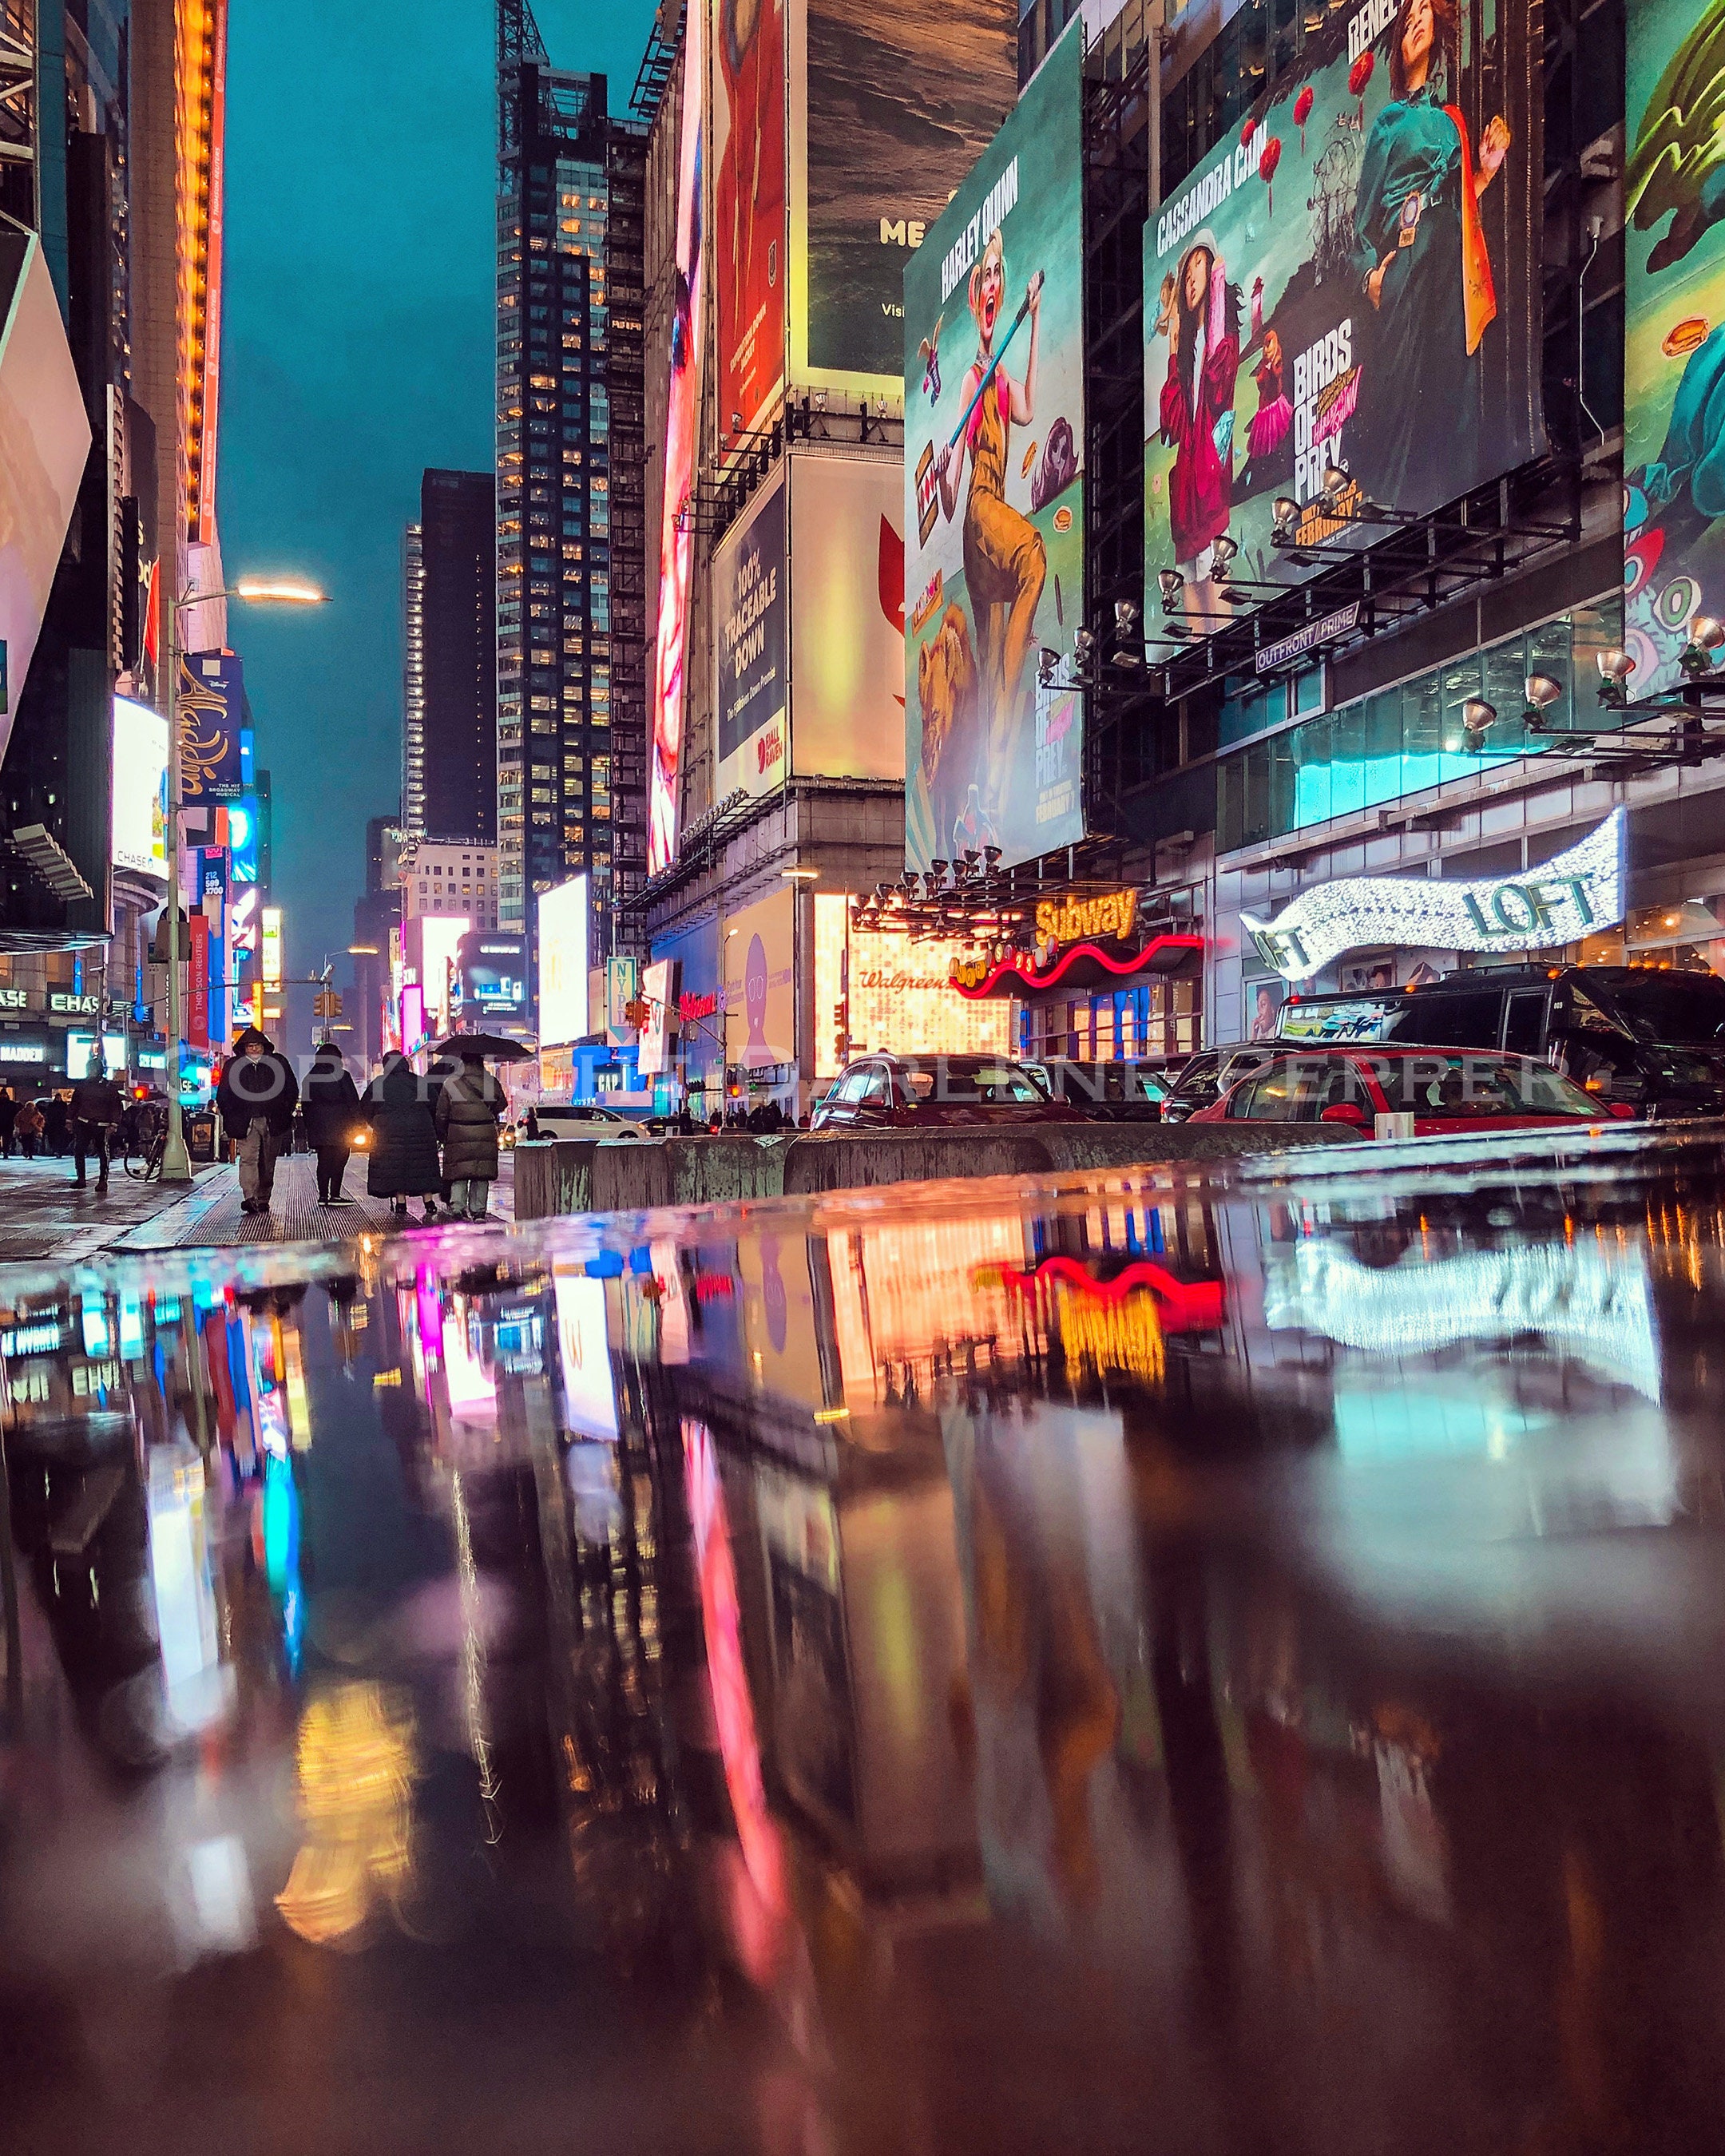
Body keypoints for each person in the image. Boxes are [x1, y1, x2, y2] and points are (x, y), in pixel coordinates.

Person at [1348, 0, 1509, 507]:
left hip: (1451, 275)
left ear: (1438, 28)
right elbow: (1362, 224)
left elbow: (1461, 206)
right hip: (1405, 269)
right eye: (1408, 15)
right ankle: (1394, 516)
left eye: (1425, 10)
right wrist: (1371, 278)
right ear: (1397, 44)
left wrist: (1483, 171)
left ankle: (1450, 514)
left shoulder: (1451, 120)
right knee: (1402, 401)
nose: (1417, 18)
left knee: (1450, 396)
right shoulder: (1389, 123)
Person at [933, 226, 1047, 830]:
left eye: (998, 282)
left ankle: (991, 793)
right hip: (979, 514)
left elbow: (1027, 407)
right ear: (977, 300)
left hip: (987, 534)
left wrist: (1032, 320)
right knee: (1032, 552)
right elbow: (950, 504)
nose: (992, 290)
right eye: (986, 282)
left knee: (995, 671)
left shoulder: (998, 381)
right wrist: (945, 471)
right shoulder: (969, 389)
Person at [1158, 236, 1240, 624]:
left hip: (1209, 473)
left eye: (1198, 269)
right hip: (1188, 480)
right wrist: (1174, 347)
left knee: (1215, 576)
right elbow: (1173, 417)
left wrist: (1220, 291)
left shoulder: (1221, 337)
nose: (1190, 281)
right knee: (1192, 587)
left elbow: (1220, 380)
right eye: (1186, 273)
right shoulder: (1190, 345)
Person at [216, 1025, 299, 1215]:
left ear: (264, 1046)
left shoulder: (278, 1063)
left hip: (272, 1120)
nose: (254, 1049)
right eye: (250, 1046)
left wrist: (286, 1110)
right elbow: (224, 1093)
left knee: (268, 1162)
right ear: (243, 1048)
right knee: (248, 1159)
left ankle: (263, 1197)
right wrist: (230, 1114)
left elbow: (291, 1089)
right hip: (246, 1122)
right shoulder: (233, 1066)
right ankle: (250, 1197)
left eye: (257, 1046)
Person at [364, 1050, 442, 1223]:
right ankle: (429, 1201)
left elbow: (366, 1109)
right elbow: (436, 1106)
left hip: (388, 1134)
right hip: (421, 1132)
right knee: (422, 1167)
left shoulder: (379, 1084)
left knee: (396, 1167)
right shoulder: (420, 1082)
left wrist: (377, 1123)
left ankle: (400, 1203)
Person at [433, 1052, 505, 1221]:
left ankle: (458, 1207)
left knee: (459, 1172)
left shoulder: (450, 1082)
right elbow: (502, 1104)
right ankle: (479, 1211)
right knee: (481, 1173)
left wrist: (443, 1134)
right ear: (481, 1062)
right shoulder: (491, 1081)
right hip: (485, 1131)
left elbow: (442, 1113)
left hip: (458, 1130)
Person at [301, 1040, 363, 1206]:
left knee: (323, 1161)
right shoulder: (343, 1076)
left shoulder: (309, 1078)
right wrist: (359, 1123)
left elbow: (305, 1106)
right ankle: (335, 1195)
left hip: (319, 1127)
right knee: (340, 1160)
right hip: (342, 1127)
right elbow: (353, 1102)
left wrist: (310, 1126)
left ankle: (323, 1196)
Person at [70, 1060, 124, 1192]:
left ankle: (102, 1181)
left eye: (93, 1069)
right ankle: (81, 1179)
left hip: (101, 1124)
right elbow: (75, 1104)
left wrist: (114, 1124)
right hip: (83, 1122)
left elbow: (115, 1106)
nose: (91, 1071)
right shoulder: (83, 1085)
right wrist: (69, 1120)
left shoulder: (109, 1087)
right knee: (79, 1150)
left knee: (102, 1151)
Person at [42, 1091, 69, 1157]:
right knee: (54, 1138)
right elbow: (49, 1114)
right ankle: (55, 1150)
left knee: (60, 1138)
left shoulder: (63, 1105)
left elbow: (65, 1113)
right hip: (53, 1125)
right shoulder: (52, 1105)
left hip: (60, 1124)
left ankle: (60, 1151)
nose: (58, 1099)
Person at [13, 1095, 42, 1159]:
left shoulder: (36, 1113)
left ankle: (30, 1154)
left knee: (32, 1142)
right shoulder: (22, 1112)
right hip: (24, 1130)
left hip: (32, 1129)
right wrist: (19, 1125)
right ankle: (26, 1151)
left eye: (31, 1106)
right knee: (25, 1142)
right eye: (29, 1106)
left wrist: (39, 1126)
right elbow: (16, 1119)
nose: (30, 1107)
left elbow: (41, 1120)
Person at [0, 1085, 16, 1157]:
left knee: (7, 1140)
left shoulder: (11, 1104)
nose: (3, 1096)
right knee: (6, 1139)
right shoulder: (11, 1104)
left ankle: (5, 1151)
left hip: (8, 1124)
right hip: (5, 1124)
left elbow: (15, 1114)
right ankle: (3, 1150)